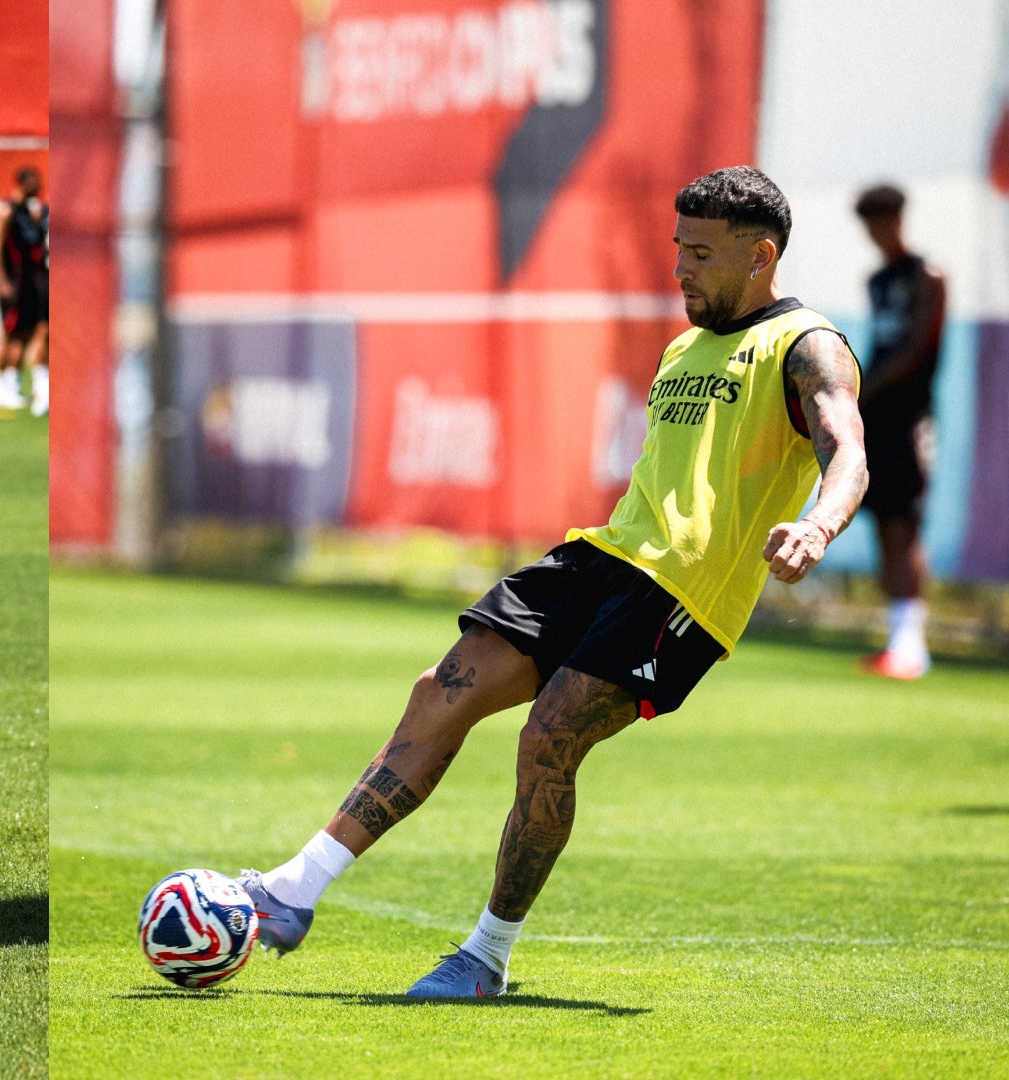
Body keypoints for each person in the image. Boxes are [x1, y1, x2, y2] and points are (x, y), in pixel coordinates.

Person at [233, 167, 867, 998]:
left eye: (702, 254)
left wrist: (818, 525)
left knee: (548, 739)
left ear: (762, 256)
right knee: (439, 690)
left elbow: (847, 449)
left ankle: (485, 957)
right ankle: (292, 891)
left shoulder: (807, 345)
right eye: (678, 247)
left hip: (682, 596)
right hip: (603, 559)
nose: (680, 267)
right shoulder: (683, 345)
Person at [851, 184, 945, 680]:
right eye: (869, 223)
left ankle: (914, 648)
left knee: (905, 525)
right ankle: (897, 642)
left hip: (911, 418)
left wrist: (865, 388)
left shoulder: (927, 276)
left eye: (883, 220)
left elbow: (915, 350)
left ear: (899, 219)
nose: (877, 232)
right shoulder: (878, 279)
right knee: (883, 526)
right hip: (878, 420)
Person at [0, 165, 48, 417]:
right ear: (23, 182)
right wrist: (3, 279)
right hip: (13, 282)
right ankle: (0, 384)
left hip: (29, 282)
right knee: (11, 333)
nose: (39, 185)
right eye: (35, 181)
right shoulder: (8, 211)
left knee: (26, 333)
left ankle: (11, 384)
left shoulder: (31, 212)